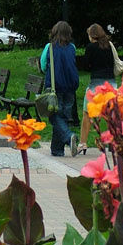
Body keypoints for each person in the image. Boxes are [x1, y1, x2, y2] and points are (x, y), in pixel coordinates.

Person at [40, 21, 79, 157]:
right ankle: (57, 150)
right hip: (70, 87)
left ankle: (69, 137)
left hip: (54, 88)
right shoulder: (72, 47)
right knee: (63, 117)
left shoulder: (49, 47)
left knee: (55, 117)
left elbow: (43, 66)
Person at [78, 23, 116, 154]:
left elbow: (86, 66)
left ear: (92, 35)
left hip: (95, 84)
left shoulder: (91, 47)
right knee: (111, 114)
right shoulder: (109, 46)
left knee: (87, 113)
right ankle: (114, 141)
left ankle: (83, 143)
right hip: (111, 84)